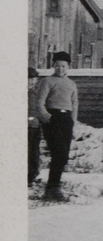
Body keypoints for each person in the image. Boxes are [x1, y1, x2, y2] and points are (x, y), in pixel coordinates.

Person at [34, 51, 78, 202]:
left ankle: (55, 186)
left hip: (66, 120)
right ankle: (52, 189)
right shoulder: (47, 81)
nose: (60, 68)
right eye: (57, 65)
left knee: (64, 155)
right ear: (53, 66)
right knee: (58, 152)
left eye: (63, 66)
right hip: (53, 118)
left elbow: (74, 104)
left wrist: (73, 122)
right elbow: (39, 102)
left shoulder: (71, 84)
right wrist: (47, 118)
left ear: (68, 67)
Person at [28, 67, 43, 187]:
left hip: (35, 127)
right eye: (29, 79)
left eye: (33, 80)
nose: (31, 82)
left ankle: (32, 175)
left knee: (34, 151)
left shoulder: (37, 94)